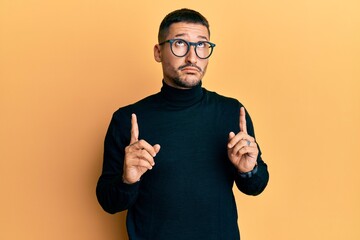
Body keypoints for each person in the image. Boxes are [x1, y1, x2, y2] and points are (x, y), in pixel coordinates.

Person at [96, 8, 269, 240]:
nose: (192, 57)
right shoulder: (127, 119)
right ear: (158, 52)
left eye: (202, 45)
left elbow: (255, 186)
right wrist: (128, 180)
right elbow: (109, 201)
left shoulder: (231, 112)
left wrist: (249, 170)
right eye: (180, 43)